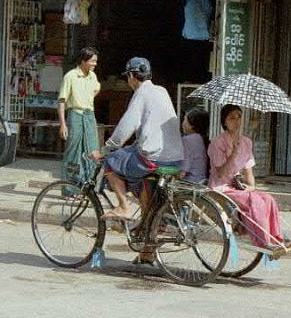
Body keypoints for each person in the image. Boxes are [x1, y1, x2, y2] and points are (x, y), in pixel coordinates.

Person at [93, 57, 184, 221]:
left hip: (154, 158)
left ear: (131, 76)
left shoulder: (141, 93)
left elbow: (126, 127)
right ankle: (147, 228)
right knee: (136, 169)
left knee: (111, 162)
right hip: (176, 158)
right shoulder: (162, 91)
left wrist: (106, 149)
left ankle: (123, 207)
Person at [207, 104, 285, 249]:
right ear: (224, 122)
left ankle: (276, 239)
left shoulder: (246, 142)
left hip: (238, 186)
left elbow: (248, 170)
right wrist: (233, 155)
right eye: (231, 118)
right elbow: (221, 173)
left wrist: (251, 186)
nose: (236, 121)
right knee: (253, 200)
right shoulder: (217, 143)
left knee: (268, 199)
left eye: (239, 117)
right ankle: (264, 242)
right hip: (221, 186)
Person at [58, 47, 100, 192]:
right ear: (83, 60)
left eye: (96, 61)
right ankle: (71, 188)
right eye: (92, 61)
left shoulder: (93, 76)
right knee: (73, 152)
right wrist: (63, 124)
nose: (95, 64)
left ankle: (89, 187)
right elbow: (62, 101)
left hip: (89, 115)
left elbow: (96, 89)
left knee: (92, 149)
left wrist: (87, 98)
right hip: (75, 115)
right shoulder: (70, 76)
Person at [180, 108, 209, 184]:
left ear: (192, 126)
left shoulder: (187, 140)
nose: (182, 123)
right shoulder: (201, 138)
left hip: (190, 183)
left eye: (185, 120)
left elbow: (183, 171)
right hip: (201, 181)